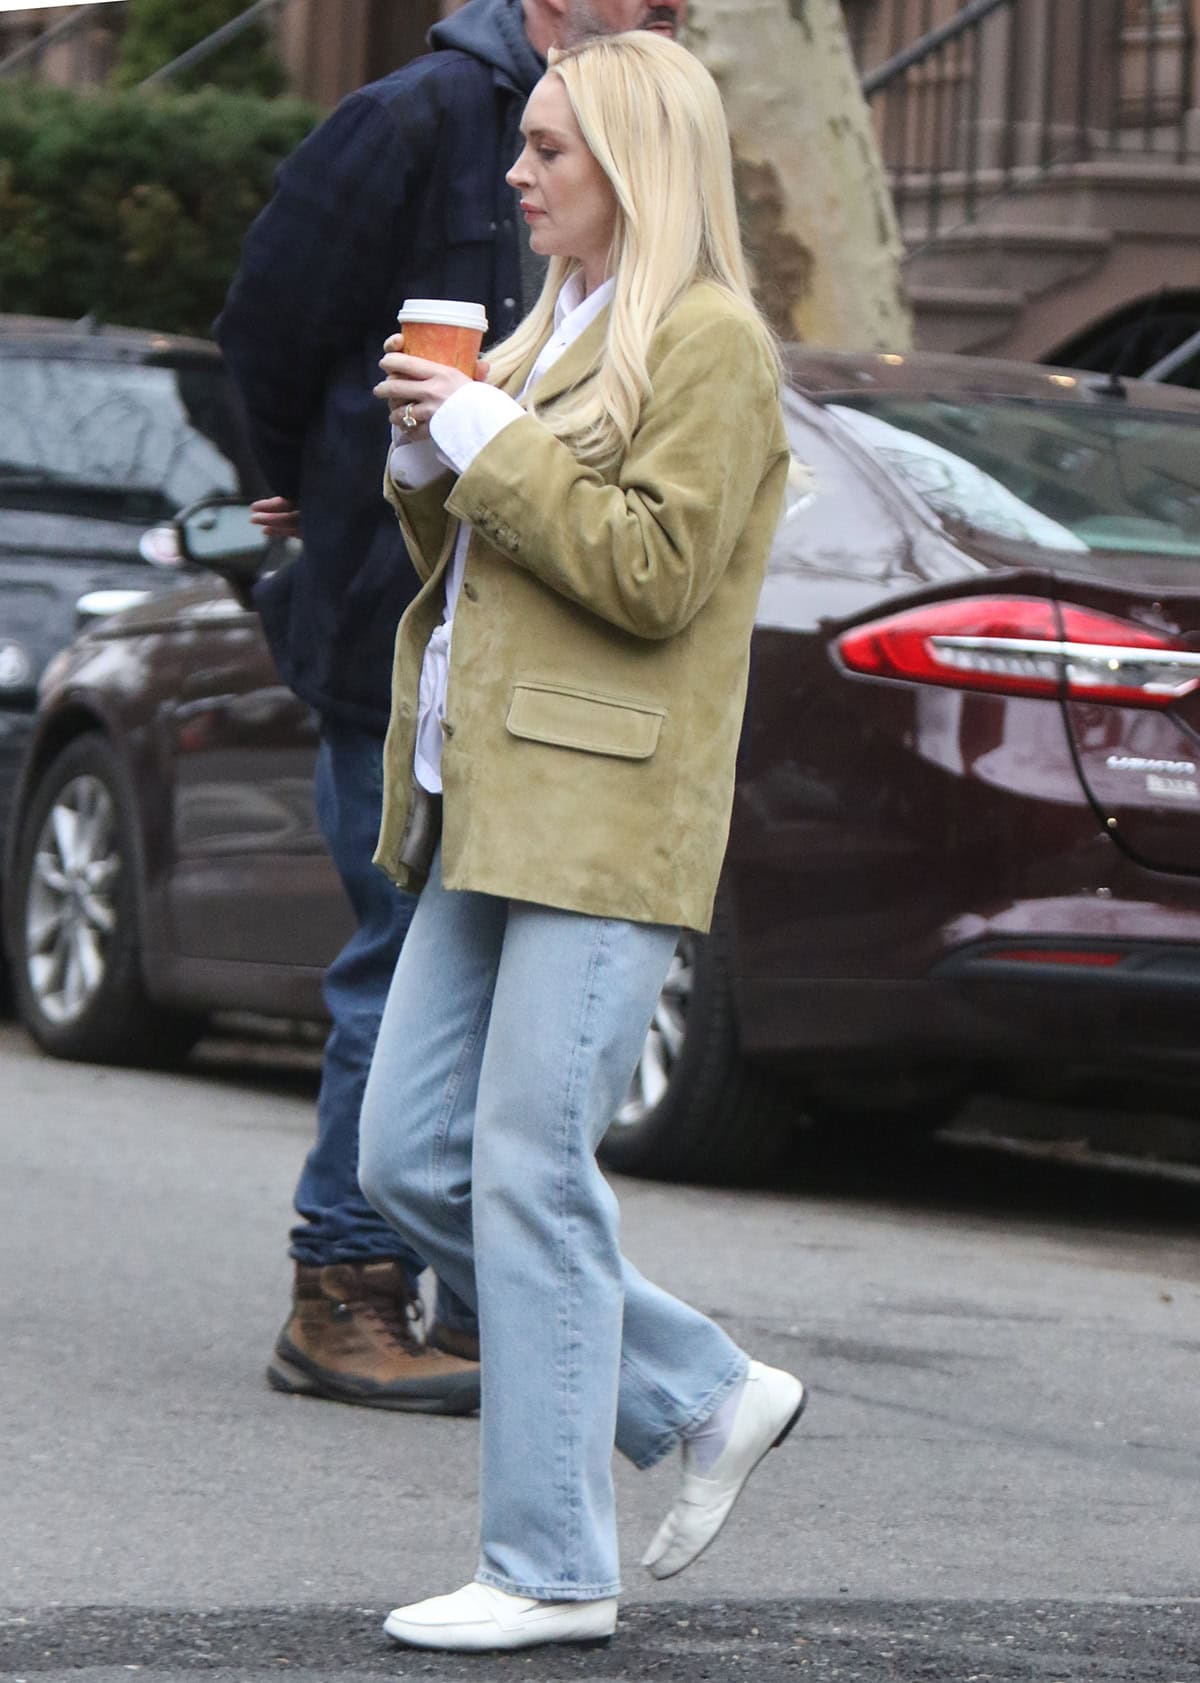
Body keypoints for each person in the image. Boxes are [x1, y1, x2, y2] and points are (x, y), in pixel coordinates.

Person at [357, 29, 804, 1653]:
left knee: (531, 1172)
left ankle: (551, 1568)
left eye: (550, 149)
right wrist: (429, 465)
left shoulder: (709, 342)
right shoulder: (558, 324)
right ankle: (701, 1387)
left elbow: (654, 574)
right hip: (492, 804)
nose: (518, 172)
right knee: (407, 1159)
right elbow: (505, 551)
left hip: (607, 817)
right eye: (527, 144)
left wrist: (489, 442)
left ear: (635, 163)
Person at [216, 0, 687, 1413]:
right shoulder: (412, 119)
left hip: (524, 648)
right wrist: (315, 495)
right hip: (393, 623)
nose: (675, 14)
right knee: (403, 959)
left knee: (470, 987)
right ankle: (346, 1288)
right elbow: (268, 324)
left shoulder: (648, 173)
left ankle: (491, 1309)